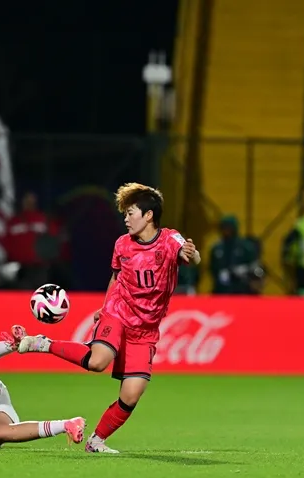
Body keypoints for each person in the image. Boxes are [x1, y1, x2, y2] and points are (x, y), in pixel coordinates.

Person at [16, 182, 201, 453]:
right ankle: (43, 344)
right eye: (125, 213)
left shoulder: (169, 240)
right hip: (118, 313)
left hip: (146, 328)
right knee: (97, 361)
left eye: (131, 213)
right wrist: (105, 308)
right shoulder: (122, 245)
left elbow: (190, 254)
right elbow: (116, 276)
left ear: (149, 215)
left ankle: (96, 441)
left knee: (131, 395)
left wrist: (191, 253)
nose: (125, 219)